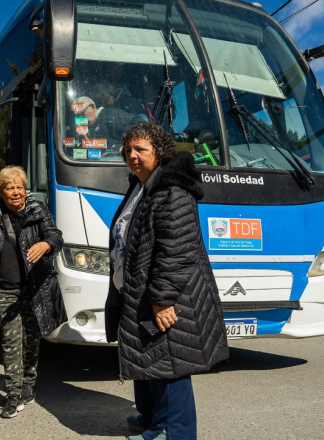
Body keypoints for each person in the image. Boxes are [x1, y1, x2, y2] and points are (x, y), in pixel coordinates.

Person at [104, 123, 228, 440]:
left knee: (170, 361)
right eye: (128, 150)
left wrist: (162, 298)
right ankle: (152, 419)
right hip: (141, 289)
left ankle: (173, 431)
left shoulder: (172, 191)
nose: (132, 155)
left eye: (140, 149)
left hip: (168, 295)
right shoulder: (141, 186)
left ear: (158, 152)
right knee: (150, 355)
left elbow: (177, 249)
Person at [0, 166, 65, 419]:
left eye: (19, 187)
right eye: (10, 188)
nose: (16, 192)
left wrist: (46, 244)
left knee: (31, 341)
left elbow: (56, 236)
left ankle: (29, 384)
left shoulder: (37, 210)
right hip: (5, 290)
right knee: (11, 342)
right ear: (1, 192)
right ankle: (13, 394)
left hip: (35, 289)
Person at [71, 96, 147, 151]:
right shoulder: (84, 131)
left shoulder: (110, 115)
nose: (79, 117)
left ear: (92, 108)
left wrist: (126, 147)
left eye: (81, 112)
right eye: (77, 114)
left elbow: (140, 122)